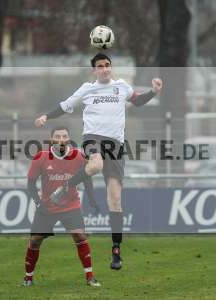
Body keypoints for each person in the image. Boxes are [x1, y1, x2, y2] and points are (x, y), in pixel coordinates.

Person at [34, 53, 163, 270]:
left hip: (116, 145)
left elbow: (138, 101)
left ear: (111, 68)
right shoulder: (87, 89)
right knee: (95, 165)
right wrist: (46, 116)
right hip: (93, 138)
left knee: (115, 200)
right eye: (100, 66)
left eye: (107, 65)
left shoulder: (121, 86)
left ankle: (116, 252)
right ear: (94, 70)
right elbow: (65, 105)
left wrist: (154, 91)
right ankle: (65, 187)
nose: (104, 69)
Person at [24, 126, 100, 287]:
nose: (61, 139)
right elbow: (30, 183)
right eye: (57, 136)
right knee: (35, 240)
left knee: (80, 236)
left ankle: (90, 277)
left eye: (64, 136)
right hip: (47, 207)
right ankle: (28, 278)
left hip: (71, 205)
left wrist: (92, 199)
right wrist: (38, 202)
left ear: (68, 139)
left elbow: (87, 177)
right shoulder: (41, 157)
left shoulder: (78, 156)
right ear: (51, 140)